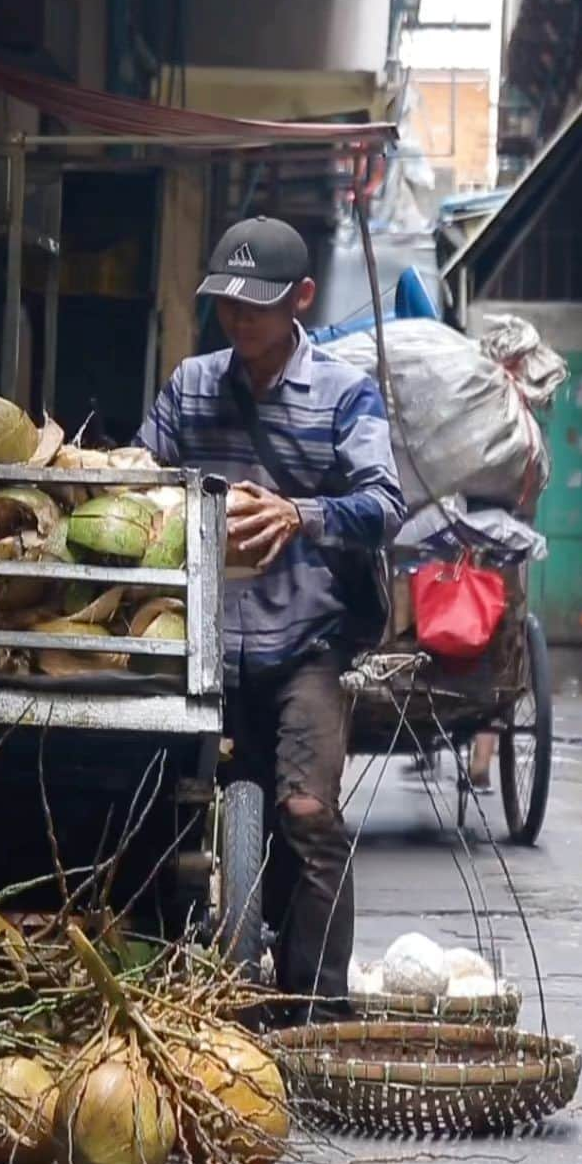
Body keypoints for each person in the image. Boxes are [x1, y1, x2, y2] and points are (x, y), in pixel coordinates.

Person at [137, 215, 405, 1018]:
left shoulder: (344, 395)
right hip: (199, 645)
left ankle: (319, 1016)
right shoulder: (190, 387)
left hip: (303, 646)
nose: (239, 319)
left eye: (256, 304)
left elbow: (384, 504)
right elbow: (135, 478)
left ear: (302, 298)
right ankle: (160, 993)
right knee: (156, 807)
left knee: (307, 813)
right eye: (225, 303)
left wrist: (301, 514)